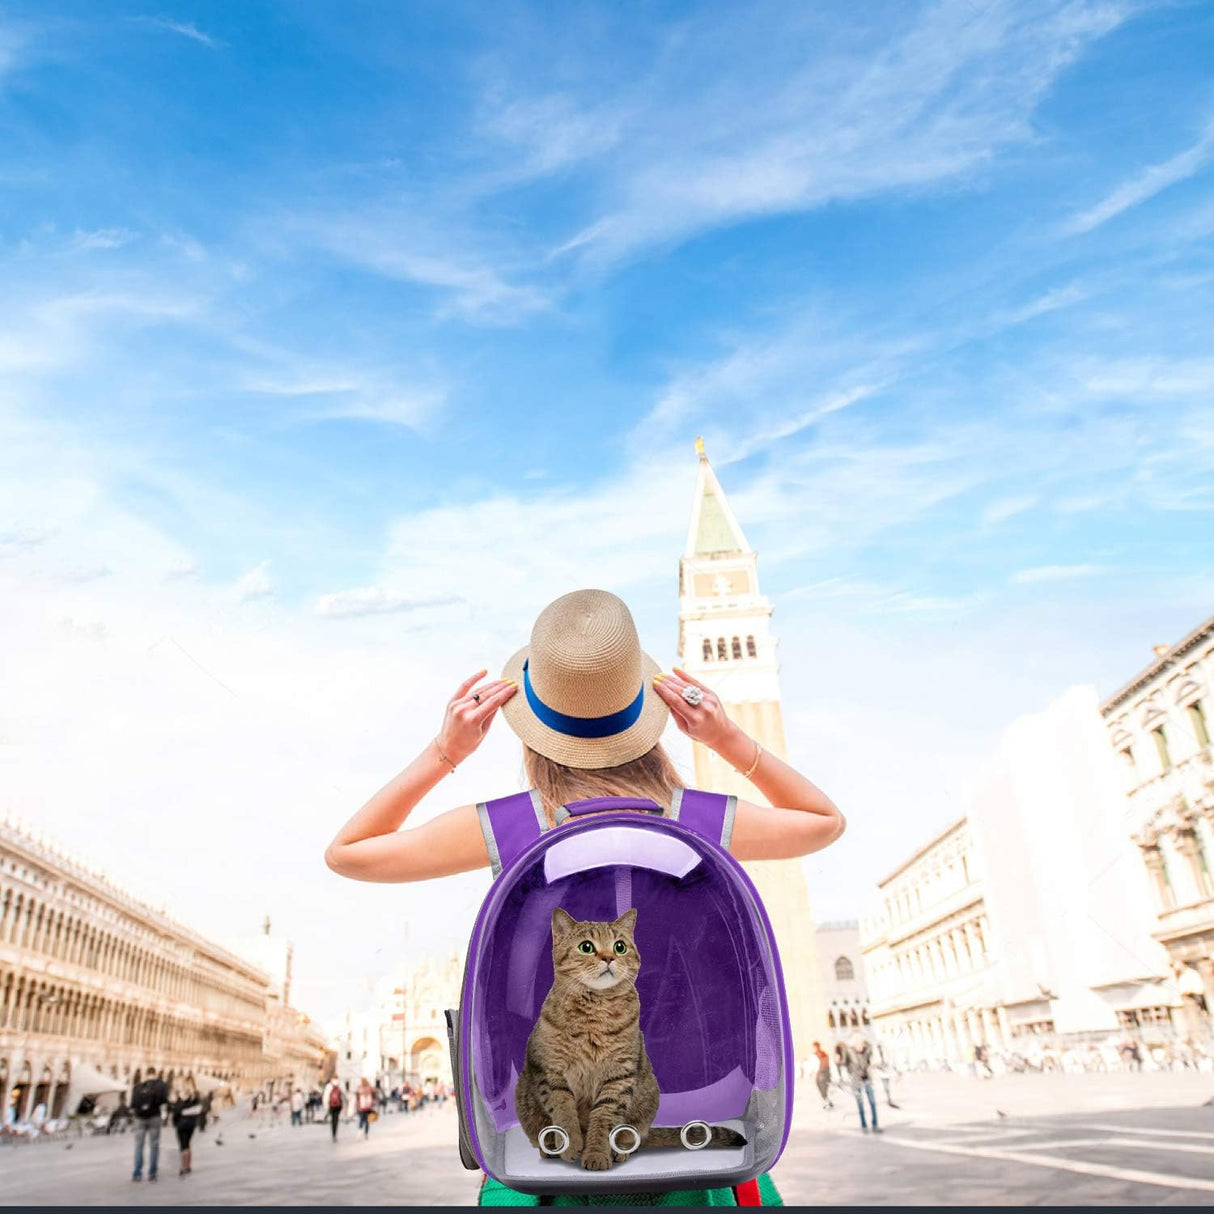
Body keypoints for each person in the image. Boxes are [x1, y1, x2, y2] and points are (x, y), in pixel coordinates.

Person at [325, 589, 845, 1206]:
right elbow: (823, 821)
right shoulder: (700, 820)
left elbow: (348, 852)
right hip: (701, 1157)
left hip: (542, 1156)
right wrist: (727, 739)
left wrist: (447, 753)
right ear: (647, 720)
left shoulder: (512, 826)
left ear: (533, 733)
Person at [130, 1068, 169, 1182]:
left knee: (138, 1146)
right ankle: (152, 1174)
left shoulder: (137, 1087)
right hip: (154, 1117)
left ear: (146, 1074)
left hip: (139, 1118)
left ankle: (137, 1173)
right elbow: (164, 1101)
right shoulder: (161, 1085)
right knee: (154, 1146)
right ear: (155, 1074)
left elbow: (132, 1105)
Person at [847, 1034, 880, 1133]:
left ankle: (875, 1125)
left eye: (862, 1043)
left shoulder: (867, 1051)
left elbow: (870, 1051)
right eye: (858, 1044)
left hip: (867, 1079)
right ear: (854, 1045)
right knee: (860, 1104)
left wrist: (865, 1043)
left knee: (872, 1103)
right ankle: (864, 1125)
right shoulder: (850, 1054)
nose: (860, 1046)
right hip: (856, 1081)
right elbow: (846, 1066)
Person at [171, 1080, 205, 1177]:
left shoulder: (180, 1099)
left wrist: (175, 1120)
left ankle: (183, 1167)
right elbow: (199, 1109)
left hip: (181, 1124)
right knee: (188, 1144)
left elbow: (176, 1113)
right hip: (191, 1124)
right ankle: (188, 1165)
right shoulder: (195, 1098)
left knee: (183, 1146)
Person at [812, 1040, 834, 1110]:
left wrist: (821, 1072)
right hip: (822, 1072)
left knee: (823, 1088)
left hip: (823, 1072)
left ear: (817, 1046)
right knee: (821, 1087)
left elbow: (824, 1063)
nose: (814, 1048)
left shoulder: (821, 1053)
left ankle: (827, 1102)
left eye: (815, 1047)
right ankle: (827, 1101)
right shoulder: (819, 1053)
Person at [324, 1077, 345, 1142]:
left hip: (331, 1106)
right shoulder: (340, 1086)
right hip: (338, 1106)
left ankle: (333, 1134)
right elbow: (343, 1096)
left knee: (333, 1120)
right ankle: (335, 1134)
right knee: (336, 1120)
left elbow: (326, 1097)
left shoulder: (328, 1087)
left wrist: (326, 1107)